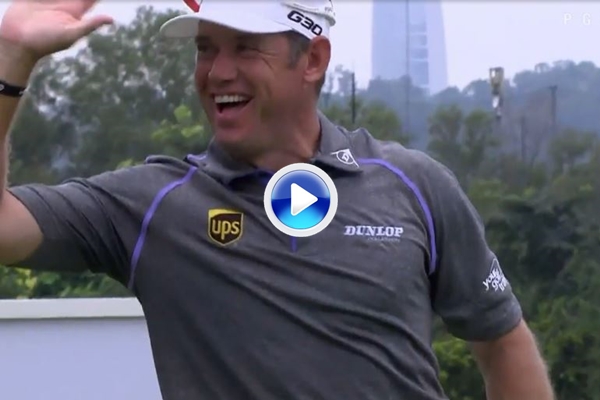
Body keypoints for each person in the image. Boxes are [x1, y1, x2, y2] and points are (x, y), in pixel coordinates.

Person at [0, 1, 555, 399]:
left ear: (312, 59)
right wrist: (12, 57)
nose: (218, 72)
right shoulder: (153, 205)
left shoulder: (414, 185)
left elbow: (502, 342)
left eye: (245, 47)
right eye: (205, 49)